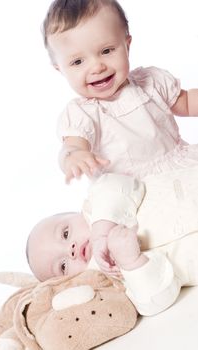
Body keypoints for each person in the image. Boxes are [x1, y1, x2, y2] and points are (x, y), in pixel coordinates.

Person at [42, 0, 198, 183]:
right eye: (77, 62)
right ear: (60, 69)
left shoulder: (150, 83)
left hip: (177, 170)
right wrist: (73, 156)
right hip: (128, 188)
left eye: (107, 51)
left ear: (127, 46)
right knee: (112, 205)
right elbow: (72, 146)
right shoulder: (82, 114)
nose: (97, 67)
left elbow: (187, 103)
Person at [27, 165, 198, 316]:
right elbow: (155, 302)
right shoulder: (113, 280)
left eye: (65, 234)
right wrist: (132, 262)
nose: (70, 249)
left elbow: (119, 184)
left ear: (76, 213)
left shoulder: (99, 203)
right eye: (63, 266)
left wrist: (102, 230)